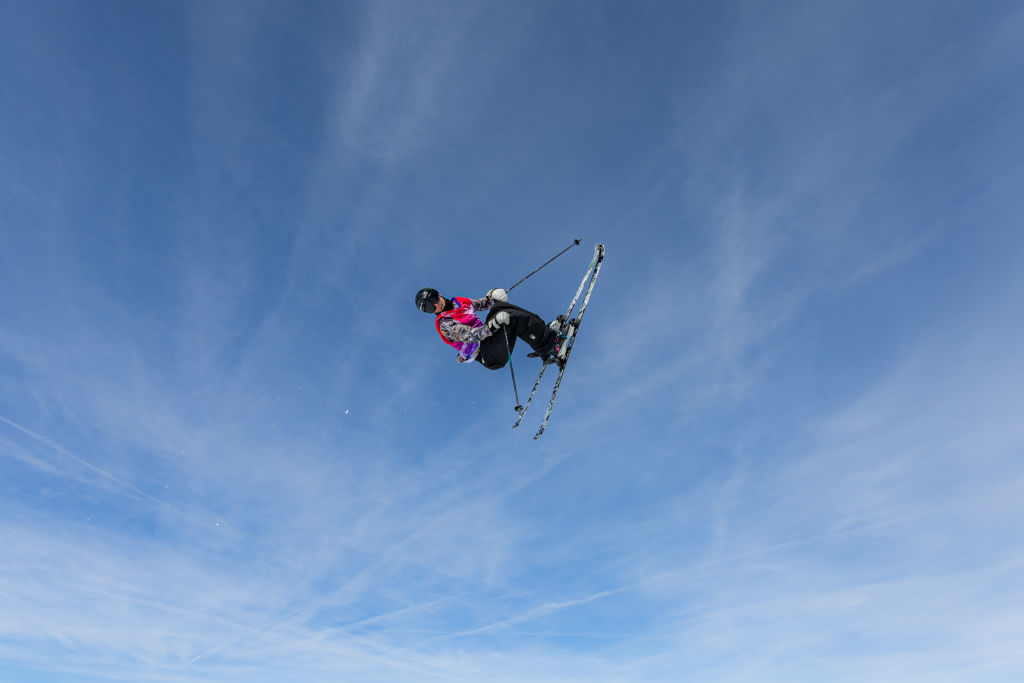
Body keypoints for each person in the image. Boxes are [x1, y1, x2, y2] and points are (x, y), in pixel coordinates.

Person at [415, 287, 564, 370]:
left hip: (489, 339)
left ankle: (546, 335)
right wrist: (491, 326)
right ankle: (551, 347)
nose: (435, 305)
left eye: (433, 300)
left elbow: (483, 304)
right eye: (429, 307)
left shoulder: (459, 302)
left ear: (439, 294)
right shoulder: (444, 323)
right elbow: (470, 336)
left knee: (499, 307)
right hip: (486, 354)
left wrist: (493, 296)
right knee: (505, 316)